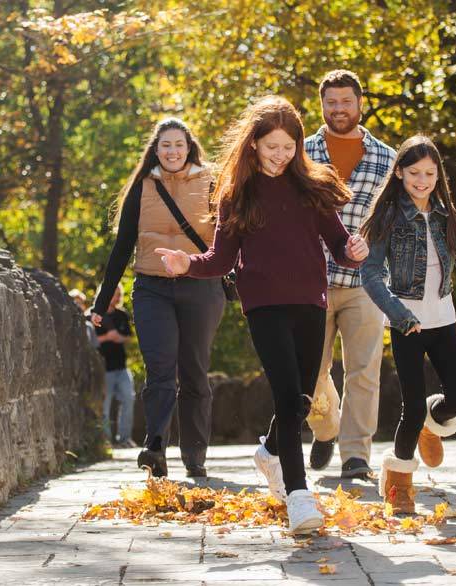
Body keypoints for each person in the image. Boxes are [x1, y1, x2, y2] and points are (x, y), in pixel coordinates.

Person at [155, 96, 369, 534]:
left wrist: (354, 251)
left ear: (298, 147)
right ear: (253, 145)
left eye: (288, 147)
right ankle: (299, 497)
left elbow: (340, 244)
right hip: (264, 305)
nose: (280, 155)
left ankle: (270, 452)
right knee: (289, 398)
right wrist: (187, 264)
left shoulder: (312, 188)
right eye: (272, 147)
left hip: (311, 301)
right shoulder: (238, 195)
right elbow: (220, 259)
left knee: (304, 399)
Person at [359, 135, 456, 514]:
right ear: (400, 173)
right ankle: (399, 485)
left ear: (439, 176)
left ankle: (430, 424)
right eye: (413, 173)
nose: (421, 180)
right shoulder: (387, 217)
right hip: (407, 324)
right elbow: (370, 275)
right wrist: (398, 314)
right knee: (410, 408)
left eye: (429, 173)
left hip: (443, 320)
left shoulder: (444, 215)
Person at [91, 118, 225, 478]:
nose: (172, 151)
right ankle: (155, 447)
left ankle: (195, 456)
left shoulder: (212, 182)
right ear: (156, 149)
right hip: (152, 287)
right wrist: (102, 302)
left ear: (189, 146)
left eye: (178, 144)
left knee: (194, 370)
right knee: (160, 368)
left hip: (200, 285)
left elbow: (231, 238)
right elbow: (122, 247)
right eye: (165, 145)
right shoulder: (142, 186)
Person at [304, 70, 396, 479]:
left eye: (346, 101)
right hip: (309, 279)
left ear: (361, 103)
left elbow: (398, 219)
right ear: (322, 105)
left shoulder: (387, 158)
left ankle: (356, 456)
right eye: (331, 102)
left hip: (366, 282)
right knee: (311, 372)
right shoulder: (300, 153)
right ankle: (325, 429)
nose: (339, 109)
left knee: (364, 370)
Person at [94, 284, 135, 447]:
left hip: (121, 367)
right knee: (104, 406)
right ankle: (106, 442)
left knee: (129, 399)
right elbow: (88, 342)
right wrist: (107, 337)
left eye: (119, 294)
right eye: (114, 294)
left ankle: (124, 439)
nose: (117, 297)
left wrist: (120, 338)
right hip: (103, 369)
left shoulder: (122, 315)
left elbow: (129, 338)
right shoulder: (93, 315)